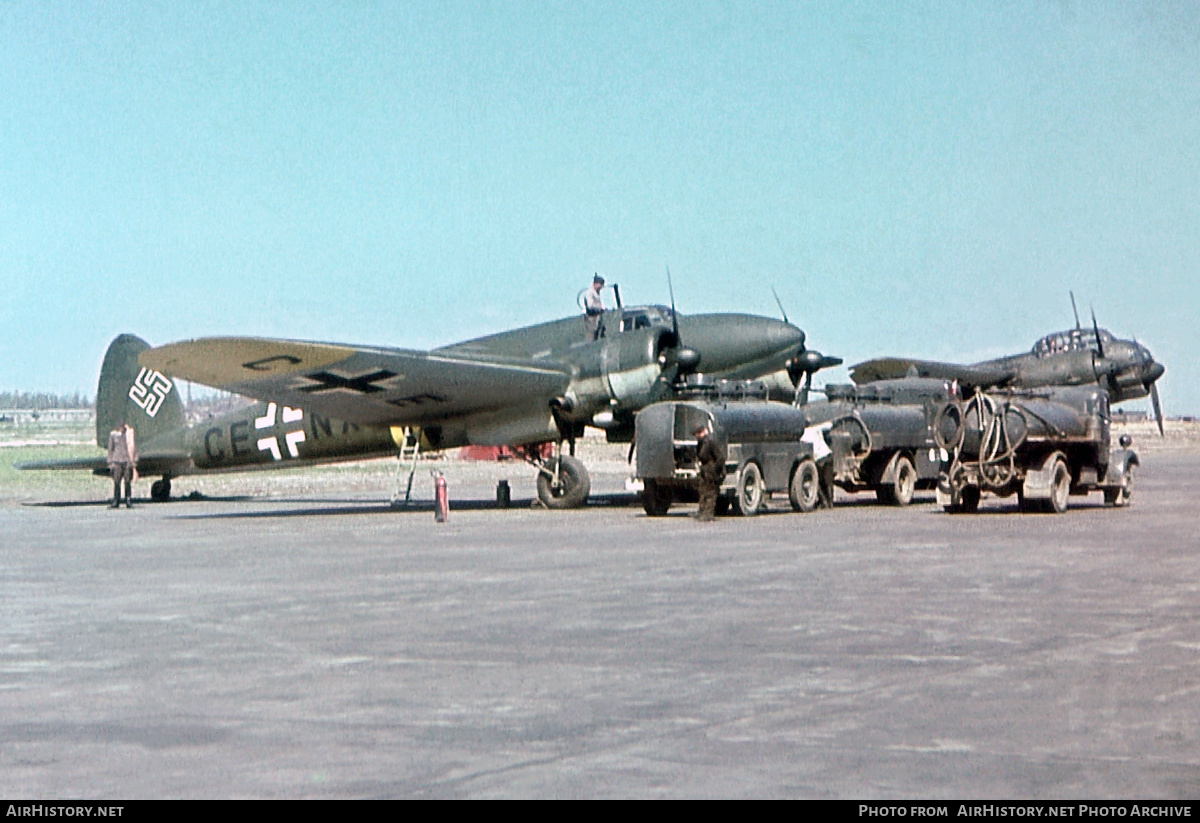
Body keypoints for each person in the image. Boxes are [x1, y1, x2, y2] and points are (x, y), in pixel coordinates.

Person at [694, 422, 726, 521]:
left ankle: (708, 513)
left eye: (698, 433)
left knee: (711, 493)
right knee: (703, 491)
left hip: (712, 470)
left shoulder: (711, 441)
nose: (697, 436)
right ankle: (702, 511)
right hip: (704, 470)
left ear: (703, 431)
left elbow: (720, 458)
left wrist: (715, 469)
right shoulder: (701, 443)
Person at [106, 421, 138, 508]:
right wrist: (110, 462)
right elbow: (110, 449)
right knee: (117, 482)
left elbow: (133, 447)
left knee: (127, 482)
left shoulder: (128, 436)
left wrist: (134, 461)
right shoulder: (113, 435)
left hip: (126, 461)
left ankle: (128, 500)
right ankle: (116, 500)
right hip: (117, 462)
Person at [583, 274, 606, 340]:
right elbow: (590, 307)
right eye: (600, 284)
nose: (601, 287)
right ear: (596, 283)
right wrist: (598, 310)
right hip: (591, 319)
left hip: (597, 318)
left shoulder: (597, 294)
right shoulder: (589, 293)